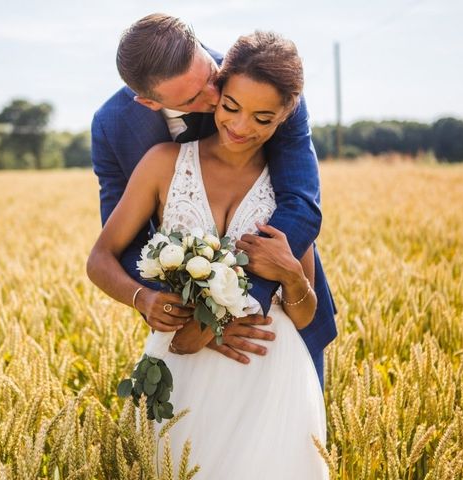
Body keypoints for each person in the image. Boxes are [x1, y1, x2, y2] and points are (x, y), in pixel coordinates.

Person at [87, 28, 329, 478]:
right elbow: (124, 247)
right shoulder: (120, 130)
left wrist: (243, 300)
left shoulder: (259, 76)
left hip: (270, 351)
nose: (220, 100)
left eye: (212, 77)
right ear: (150, 102)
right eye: (208, 98)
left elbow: (302, 208)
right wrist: (174, 311)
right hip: (185, 349)